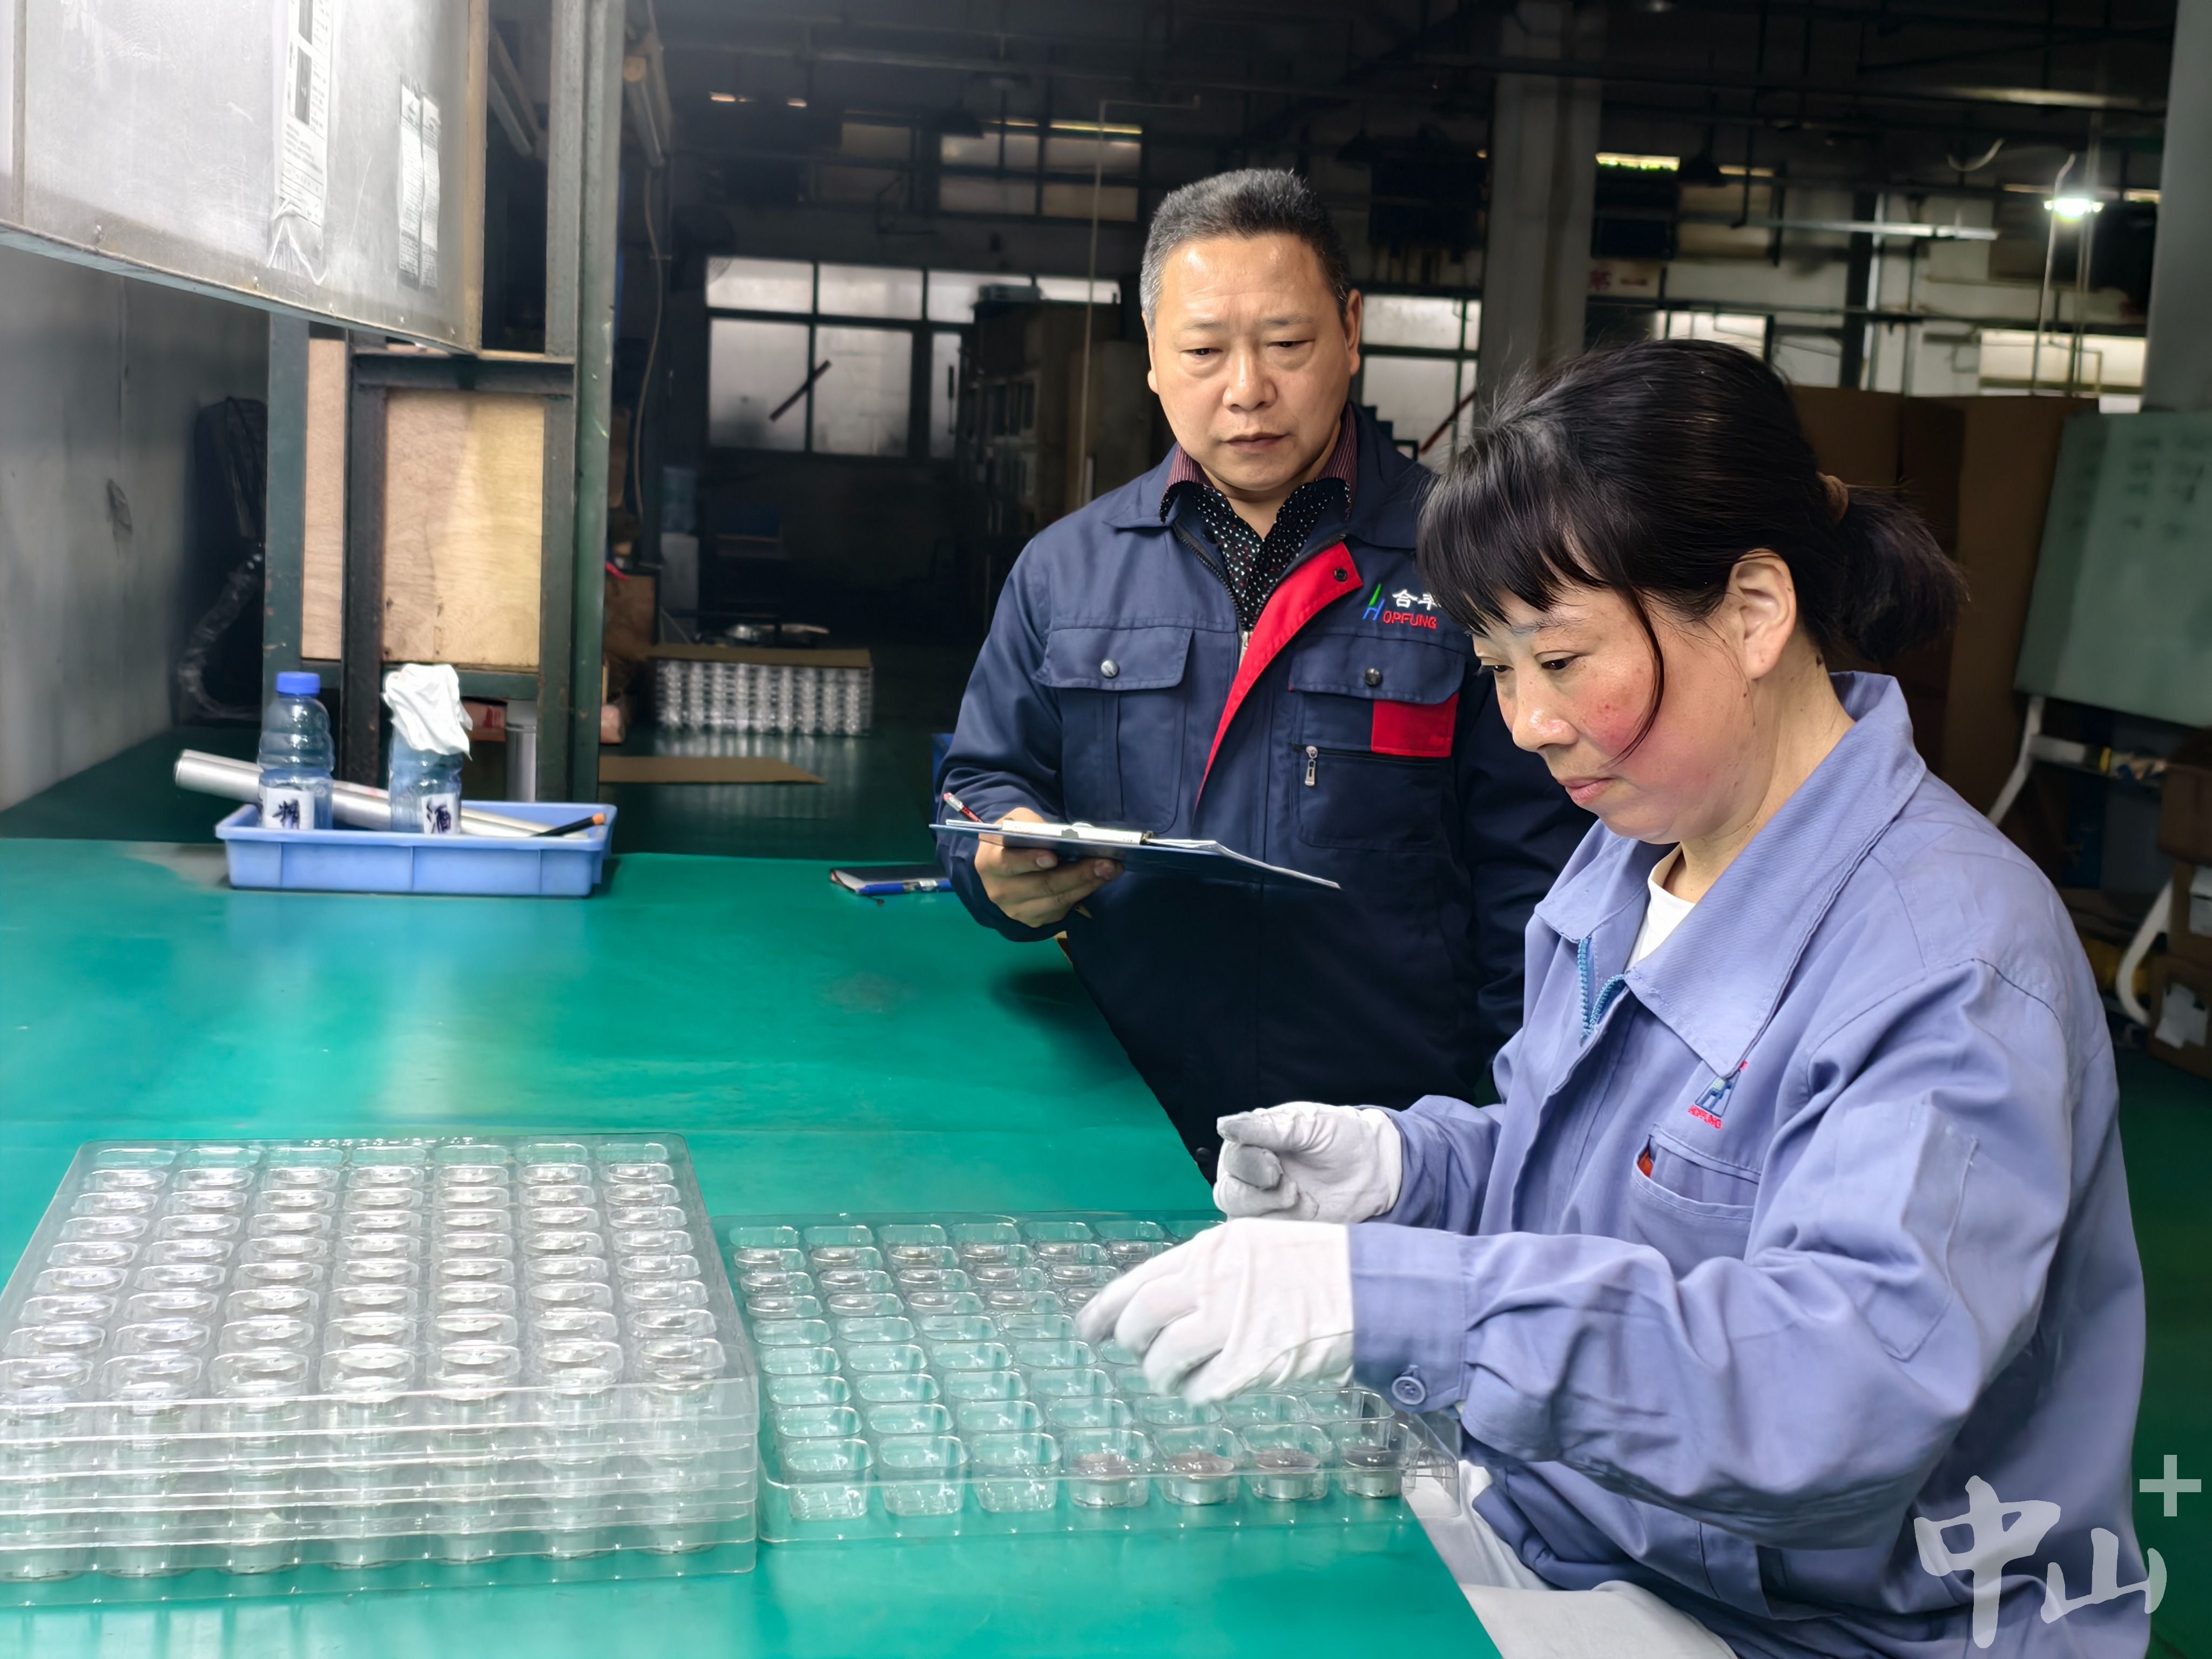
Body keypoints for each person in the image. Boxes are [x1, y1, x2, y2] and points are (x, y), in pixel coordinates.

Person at [1078, 339, 2150, 1658]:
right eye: (1495, 667)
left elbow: (1838, 1386)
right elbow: (1593, 1182)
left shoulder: (1949, 960)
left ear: (1752, 611)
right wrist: (1407, 1172)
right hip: (1583, 1530)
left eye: (1562, 658)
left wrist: (1398, 1299)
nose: (1526, 721)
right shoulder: (1633, 855)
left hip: (1829, 1629)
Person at [936, 170, 1587, 1174]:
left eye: (1287, 344)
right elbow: (981, 782)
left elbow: (1536, 878)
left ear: (1352, 331)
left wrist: (1518, 1131)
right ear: (1153, 354)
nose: (1247, 390)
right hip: (1119, 1117)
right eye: (1204, 351)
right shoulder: (1065, 572)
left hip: (1383, 1140)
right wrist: (997, 866)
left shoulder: (1466, 562)